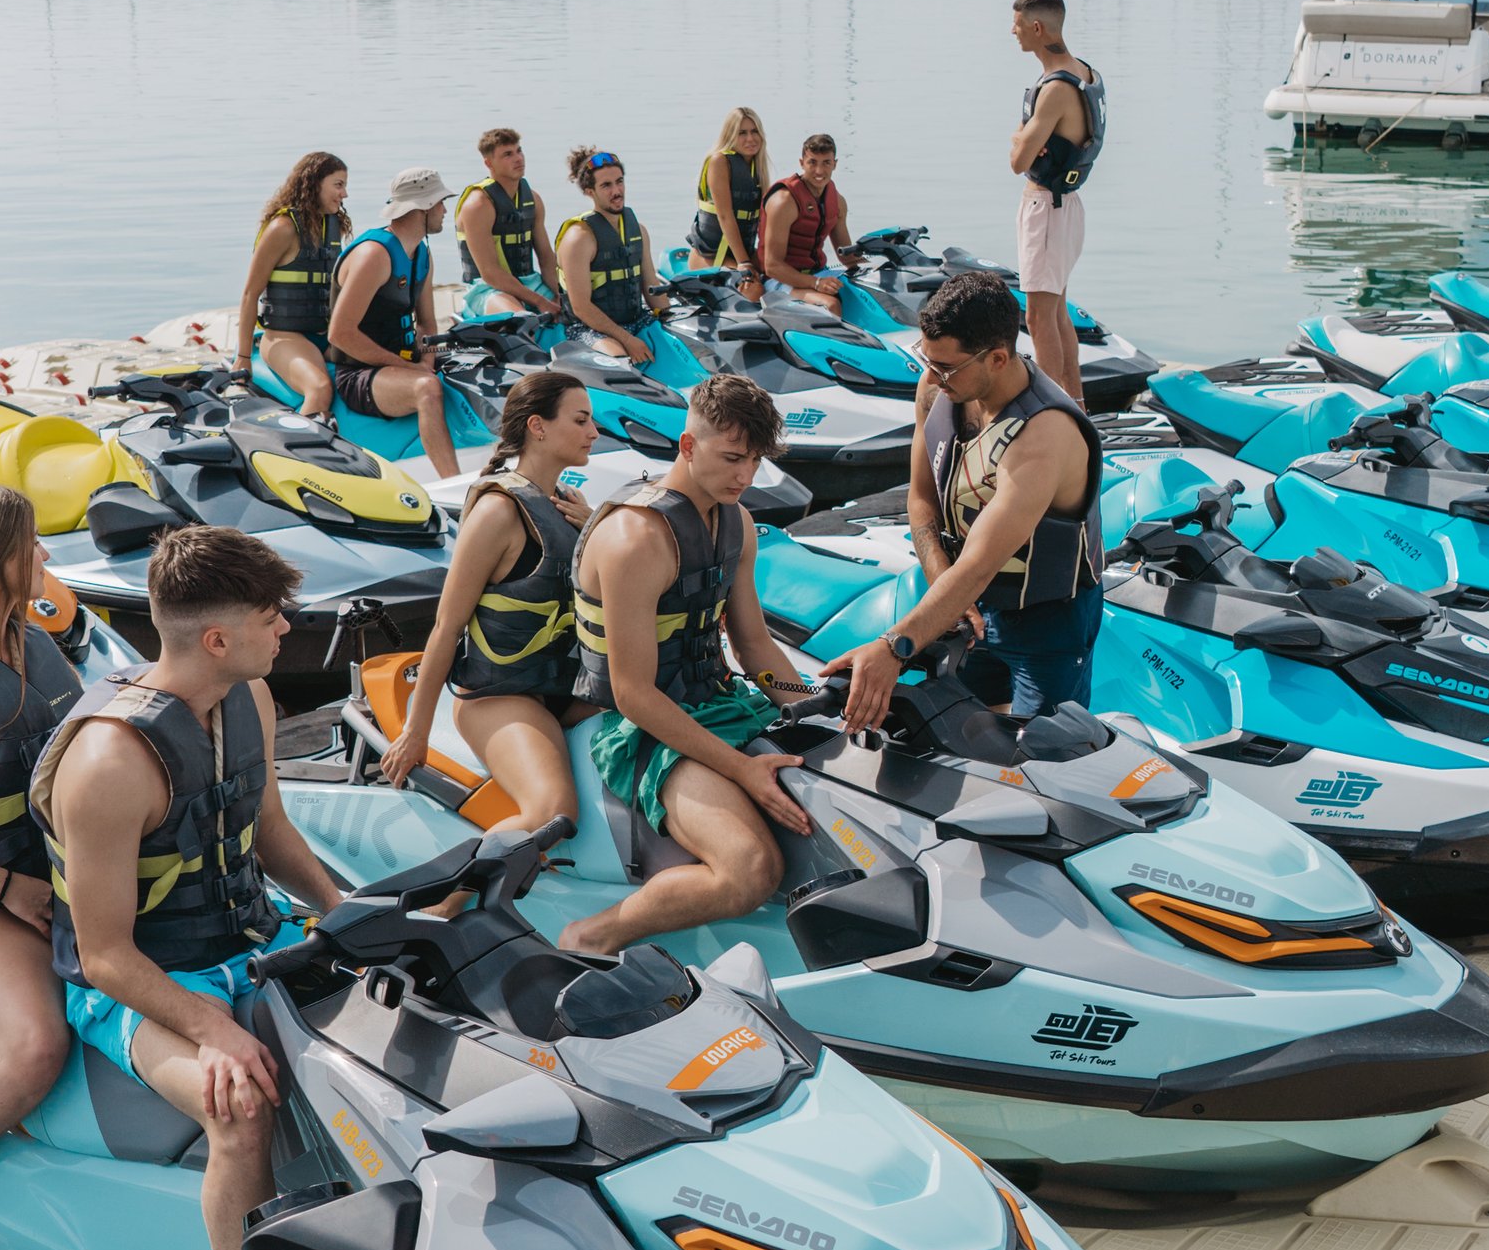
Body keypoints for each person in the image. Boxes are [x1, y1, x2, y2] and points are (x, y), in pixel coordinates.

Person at [29, 526, 344, 1250]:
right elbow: (103, 958)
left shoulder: (252, 697)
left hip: (250, 942)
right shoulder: (109, 764)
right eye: (273, 616)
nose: (286, 629)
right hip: (143, 988)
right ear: (217, 638)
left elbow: (267, 829)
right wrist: (214, 1030)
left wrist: (347, 915)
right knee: (237, 1108)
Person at [560, 374, 812, 956]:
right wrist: (742, 769)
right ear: (687, 445)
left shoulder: (737, 522)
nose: (744, 477)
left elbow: (754, 646)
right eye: (731, 459)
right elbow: (632, 694)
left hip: (720, 702)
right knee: (749, 869)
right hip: (645, 729)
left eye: (753, 462)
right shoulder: (635, 540)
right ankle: (592, 936)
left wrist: (811, 707)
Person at [824, 271, 1103, 732]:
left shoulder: (1045, 436)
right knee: (956, 737)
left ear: (996, 358)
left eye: (946, 367)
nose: (931, 376)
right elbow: (921, 500)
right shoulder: (937, 389)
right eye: (927, 360)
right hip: (965, 611)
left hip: (1048, 623)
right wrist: (945, 591)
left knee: (1045, 759)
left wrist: (895, 647)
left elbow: (979, 563)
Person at [379, 372, 597, 845]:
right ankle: (445, 904)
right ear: (538, 427)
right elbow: (446, 626)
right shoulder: (499, 513)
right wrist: (416, 733)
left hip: (566, 686)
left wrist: (598, 527)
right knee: (552, 812)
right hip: (501, 695)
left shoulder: (572, 505)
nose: (594, 432)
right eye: (580, 420)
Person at [0, 492, 77, 1131]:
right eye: (31, 545)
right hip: (7, 891)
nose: (46, 555)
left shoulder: (34, 641)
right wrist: (6, 887)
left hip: (54, 876)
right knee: (35, 1049)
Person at [327, 167, 460, 479]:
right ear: (423, 207)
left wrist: (425, 359)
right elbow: (341, 333)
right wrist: (413, 371)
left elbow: (427, 324)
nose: (444, 210)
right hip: (361, 373)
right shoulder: (374, 255)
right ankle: (456, 484)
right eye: (440, 202)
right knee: (427, 389)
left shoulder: (421, 254)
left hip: (404, 361)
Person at [1009, 0, 1106, 404]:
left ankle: (1048, 415)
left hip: (1046, 208)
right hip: (1068, 207)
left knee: (1038, 317)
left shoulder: (1054, 90)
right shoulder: (1084, 72)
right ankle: (1076, 405)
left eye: (1016, 24)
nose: (1012, 32)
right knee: (1057, 311)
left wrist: (1021, 136)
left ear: (1036, 27)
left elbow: (1017, 159)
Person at [234, 152, 351, 416]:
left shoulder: (332, 228)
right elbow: (250, 294)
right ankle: (300, 452)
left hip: (326, 337)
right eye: (338, 185)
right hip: (285, 337)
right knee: (320, 389)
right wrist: (242, 358)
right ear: (315, 183)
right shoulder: (283, 228)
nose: (344, 194)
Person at [554, 148, 672, 368]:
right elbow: (581, 308)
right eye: (606, 186)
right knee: (619, 362)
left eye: (619, 182)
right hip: (589, 330)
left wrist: (670, 318)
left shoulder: (638, 231)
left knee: (682, 343)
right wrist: (627, 340)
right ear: (590, 191)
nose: (617, 191)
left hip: (637, 320)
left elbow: (651, 287)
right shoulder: (578, 239)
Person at [453, 128, 561, 320]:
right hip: (487, 289)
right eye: (507, 154)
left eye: (519, 151)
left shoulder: (533, 199)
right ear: (489, 163)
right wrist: (540, 302)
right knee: (521, 320)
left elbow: (546, 259)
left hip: (529, 282)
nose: (518, 158)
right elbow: (489, 273)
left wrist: (559, 296)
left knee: (571, 316)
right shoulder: (478, 205)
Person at [759, 133, 856, 316]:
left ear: (835, 164)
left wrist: (876, 272)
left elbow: (847, 256)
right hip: (779, 281)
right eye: (812, 162)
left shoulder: (837, 201)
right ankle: (830, 345)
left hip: (817, 273)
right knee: (830, 306)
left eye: (826, 163)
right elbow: (772, 266)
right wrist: (816, 283)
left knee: (869, 288)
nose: (819, 171)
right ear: (802, 163)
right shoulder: (784, 202)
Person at [684, 107, 769, 299]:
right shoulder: (719, 161)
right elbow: (724, 215)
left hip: (741, 253)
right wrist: (744, 263)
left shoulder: (757, 167)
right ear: (731, 135)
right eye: (742, 133)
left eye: (754, 131)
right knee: (754, 292)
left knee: (777, 273)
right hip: (710, 255)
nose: (750, 138)